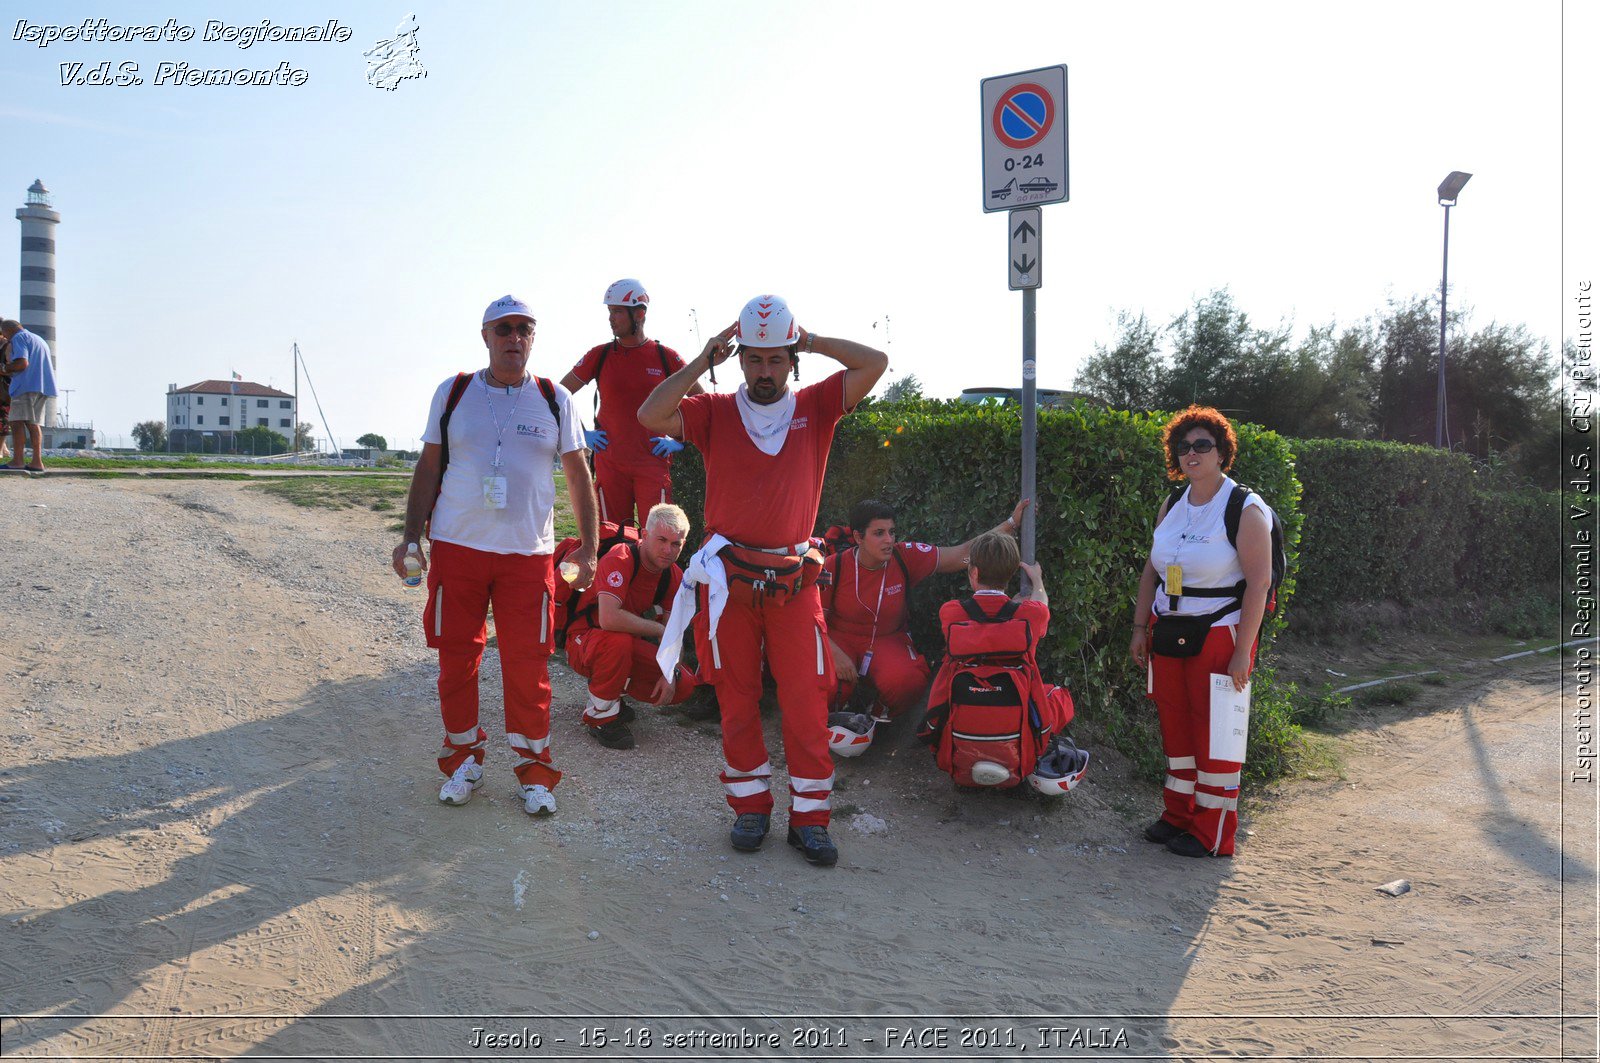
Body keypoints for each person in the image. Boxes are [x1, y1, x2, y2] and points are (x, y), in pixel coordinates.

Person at [640, 294, 887, 867]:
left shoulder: (819, 405)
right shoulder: (715, 410)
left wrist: (816, 341)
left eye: (777, 359)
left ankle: (811, 820)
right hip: (730, 586)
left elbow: (873, 363)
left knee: (806, 701)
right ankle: (751, 807)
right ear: (741, 359)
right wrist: (703, 361)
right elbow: (651, 416)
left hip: (794, 585)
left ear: (791, 360)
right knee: (737, 698)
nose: (765, 372)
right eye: (755, 359)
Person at [392, 295, 598, 818]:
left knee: (528, 666)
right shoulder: (455, 392)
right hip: (458, 548)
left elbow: (579, 478)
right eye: (504, 328)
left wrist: (591, 549)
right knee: (456, 661)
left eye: (524, 329)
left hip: (527, 555)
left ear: (534, 337)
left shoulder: (555, 399)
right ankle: (463, 760)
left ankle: (534, 773)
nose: (514, 338)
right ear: (485, 335)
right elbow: (429, 464)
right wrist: (411, 535)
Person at [1129, 405, 1273, 858]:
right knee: (1175, 726)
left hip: (1220, 633)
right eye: (1183, 446)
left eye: (1202, 445)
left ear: (1221, 451)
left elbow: (1260, 583)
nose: (1192, 453)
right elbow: (1152, 571)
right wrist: (1138, 628)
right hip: (1167, 630)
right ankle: (1178, 815)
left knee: (1215, 733)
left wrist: (1241, 653)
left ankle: (1212, 832)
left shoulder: (1244, 508)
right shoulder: (1171, 504)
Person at [821, 497, 1030, 755]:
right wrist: (834, 653)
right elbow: (811, 619)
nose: (889, 539)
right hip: (841, 639)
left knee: (906, 681)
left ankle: (877, 713)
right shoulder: (834, 566)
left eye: (892, 531)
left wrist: (1011, 523)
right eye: (879, 533)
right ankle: (836, 708)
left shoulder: (904, 556)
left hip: (888, 639)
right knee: (825, 681)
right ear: (857, 537)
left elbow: (962, 555)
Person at [923, 530, 1081, 791]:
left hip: (959, 742)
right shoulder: (1031, 616)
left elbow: (985, 625)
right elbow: (1042, 603)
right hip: (1018, 748)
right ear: (1010, 575)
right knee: (1059, 696)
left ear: (973, 572)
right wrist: (1037, 581)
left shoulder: (951, 613)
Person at [560, 279, 702, 527]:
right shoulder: (599, 355)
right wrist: (582, 434)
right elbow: (559, 394)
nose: (611, 318)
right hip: (610, 466)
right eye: (609, 312)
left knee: (656, 541)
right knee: (611, 541)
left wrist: (680, 442)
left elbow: (701, 403)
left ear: (639, 313)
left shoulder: (664, 356)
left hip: (653, 466)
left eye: (617, 311)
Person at [565, 502, 701, 750]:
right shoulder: (621, 556)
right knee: (618, 642)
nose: (668, 550)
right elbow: (609, 619)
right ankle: (600, 717)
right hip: (583, 640)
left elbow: (675, 634)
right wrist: (660, 630)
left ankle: (612, 692)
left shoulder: (675, 575)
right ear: (646, 536)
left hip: (620, 644)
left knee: (684, 684)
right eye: (661, 540)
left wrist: (669, 672)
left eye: (676, 544)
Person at [2, 319, 57, 473]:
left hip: (24, 387)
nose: (5, 338)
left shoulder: (18, 338)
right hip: (42, 386)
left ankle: (17, 461)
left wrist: (4, 368)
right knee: (34, 424)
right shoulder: (38, 339)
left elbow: (22, 363)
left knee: (16, 422)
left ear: (7, 331)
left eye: (4, 334)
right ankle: (36, 462)